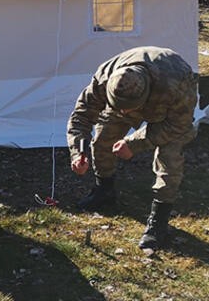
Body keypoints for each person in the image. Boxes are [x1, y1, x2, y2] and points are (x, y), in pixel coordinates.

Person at [67, 46, 198, 250]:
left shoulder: (176, 84)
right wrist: (78, 152)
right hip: (136, 95)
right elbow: (81, 117)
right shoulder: (105, 78)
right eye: (119, 106)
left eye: (128, 107)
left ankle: (159, 221)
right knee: (102, 139)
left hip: (168, 111)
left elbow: (178, 125)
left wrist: (135, 143)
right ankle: (104, 190)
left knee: (169, 159)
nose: (123, 111)